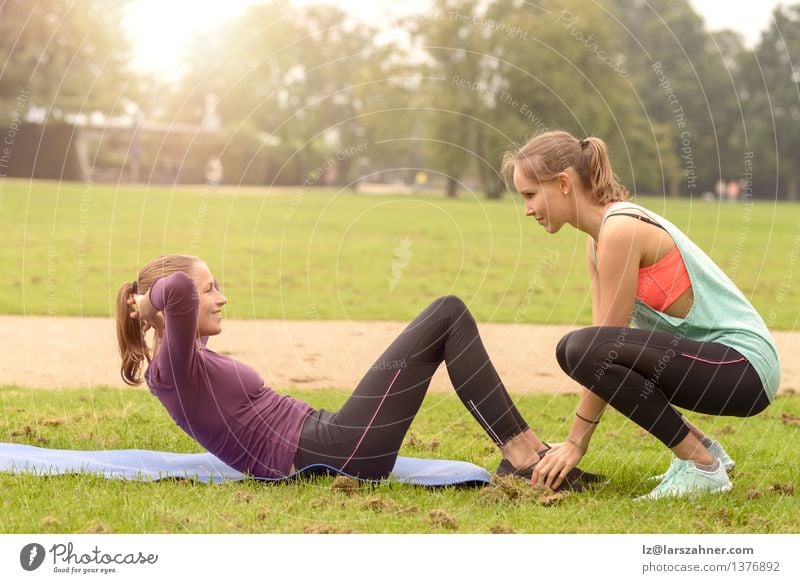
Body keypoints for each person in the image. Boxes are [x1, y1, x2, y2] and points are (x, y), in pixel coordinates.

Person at [115, 254, 602, 489]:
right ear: (164, 313)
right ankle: (523, 455)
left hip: (330, 437)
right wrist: (145, 299)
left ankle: (526, 452)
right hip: (335, 451)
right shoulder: (170, 369)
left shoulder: (192, 357)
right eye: (210, 290)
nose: (221, 298)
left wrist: (156, 303)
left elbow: (182, 295)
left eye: (218, 286)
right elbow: (176, 288)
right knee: (447, 313)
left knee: (447, 316)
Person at [501, 130, 780, 499]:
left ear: (564, 183)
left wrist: (575, 443)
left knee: (583, 349)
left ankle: (702, 467)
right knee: (573, 349)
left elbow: (604, 350)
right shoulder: (598, 240)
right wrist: (576, 440)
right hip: (715, 366)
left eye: (530, 195)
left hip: (744, 369)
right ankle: (705, 452)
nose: (528, 209)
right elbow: (602, 347)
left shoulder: (621, 229)